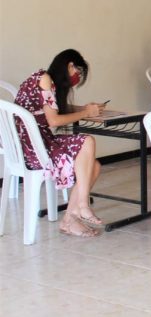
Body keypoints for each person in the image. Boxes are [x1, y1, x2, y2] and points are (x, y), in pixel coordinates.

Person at [14, 49, 105, 237]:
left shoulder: (46, 80)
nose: (77, 77)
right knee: (87, 141)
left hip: (35, 142)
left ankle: (70, 220)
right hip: (32, 148)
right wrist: (87, 113)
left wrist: (85, 108)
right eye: (78, 72)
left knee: (94, 166)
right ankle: (82, 206)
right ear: (70, 65)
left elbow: (51, 110)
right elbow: (54, 120)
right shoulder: (45, 79)